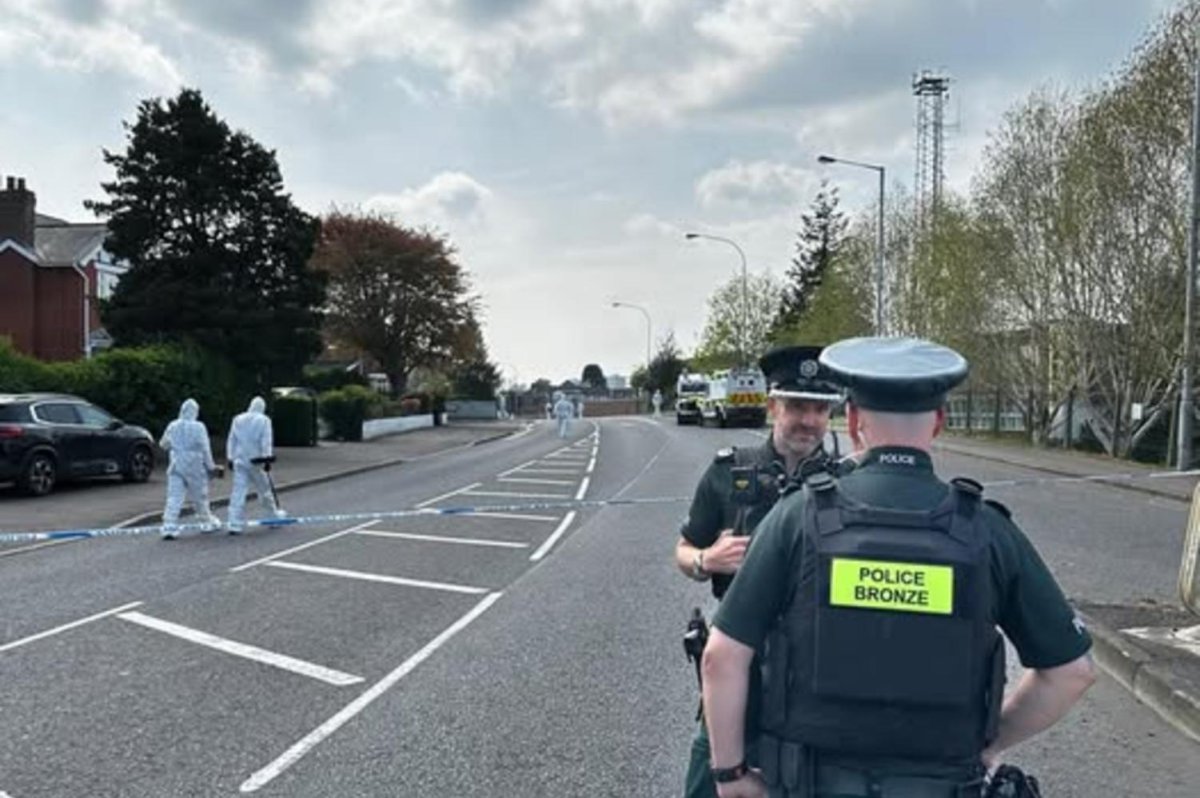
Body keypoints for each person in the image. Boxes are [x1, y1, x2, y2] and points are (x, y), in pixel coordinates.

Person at [701, 337, 1096, 798]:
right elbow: (1071, 672)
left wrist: (730, 776)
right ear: (940, 423)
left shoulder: (797, 517)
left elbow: (721, 657)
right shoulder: (985, 529)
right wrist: (989, 741)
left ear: (852, 420)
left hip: (812, 781)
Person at [676, 345, 843, 798]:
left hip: (821, 669)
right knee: (708, 780)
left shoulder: (847, 485)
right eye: (796, 406)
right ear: (772, 406)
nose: (808, 420)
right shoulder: (728, 472)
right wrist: (705, 560)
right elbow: (685, 548)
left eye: (820, 408)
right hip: (740, 665)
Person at [158, 398, 221, 540]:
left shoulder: (173, 425)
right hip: (195, 466)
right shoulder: (199, 427)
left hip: (176, 464)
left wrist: (176, 446)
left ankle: (169, 526)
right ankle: (206, 521)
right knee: (200, 497)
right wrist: (211, 467)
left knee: (174, 497)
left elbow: (163, 444)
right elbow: (205, 449)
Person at [225, 396, 285, 534]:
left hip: (240, 461)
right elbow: (266, 441)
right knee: (265, 491)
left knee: (238, 493)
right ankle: (273, 517)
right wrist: (267, 459)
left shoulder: (238, 419)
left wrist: (230, 457)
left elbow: (232, 440)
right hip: (257, 462)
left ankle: (234, 523)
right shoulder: (264, 420)